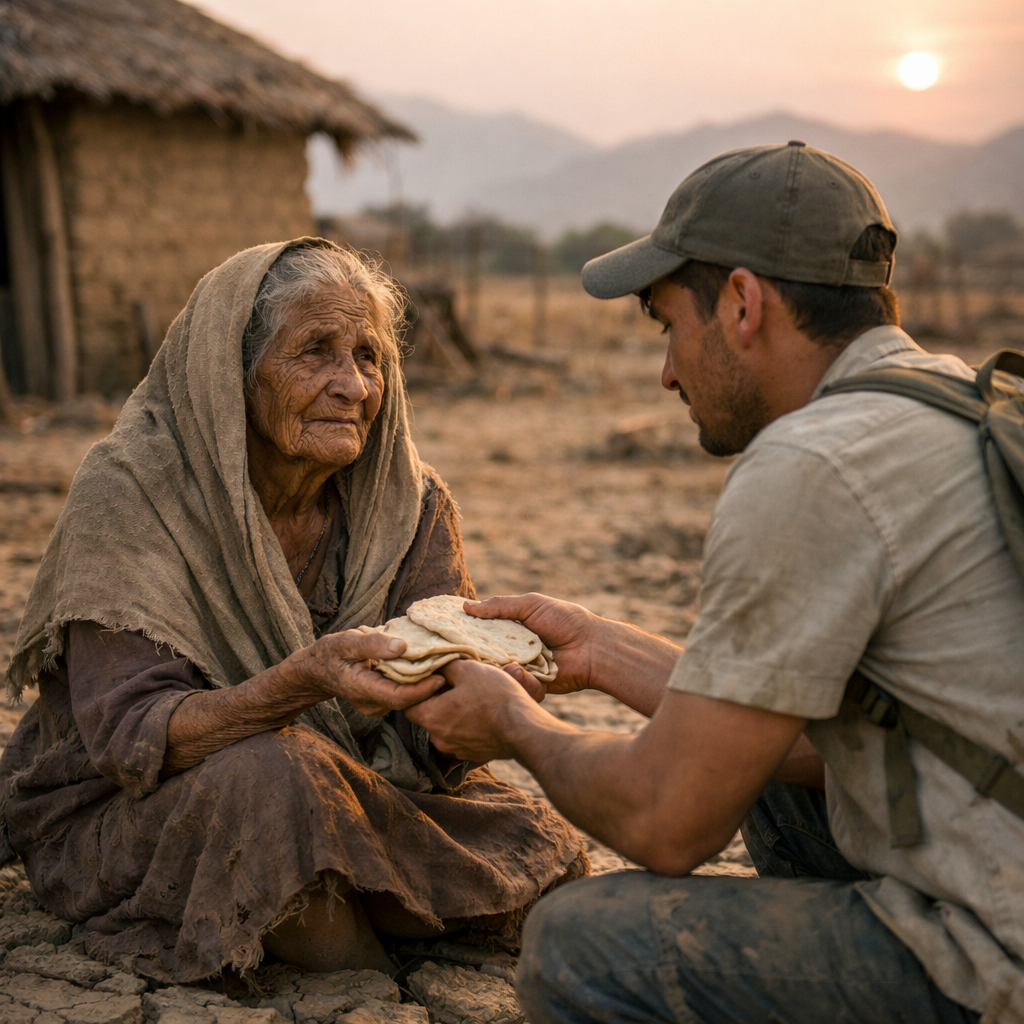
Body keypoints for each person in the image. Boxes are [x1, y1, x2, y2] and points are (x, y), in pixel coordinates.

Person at [407, 143, 1024, 1023]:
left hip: (1001, 954)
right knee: (764, 769)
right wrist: (600, 648)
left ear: (742, 303)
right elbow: (810, 737)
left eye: (666, 323)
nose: (665, 370)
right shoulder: (954, 399)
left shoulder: (812, 465)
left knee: (582, 944)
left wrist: (513, 724)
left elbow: (668, 820)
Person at [0, 239, 587, 984]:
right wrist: (305, 680)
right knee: (277, 786)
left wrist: (480, 708)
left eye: (369, 357)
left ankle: (353, 913)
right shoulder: (133, 494)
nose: (353, 386)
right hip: (137, 801)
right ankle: (373, 982)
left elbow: (423, 739)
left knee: (537, 837)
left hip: (355, 783)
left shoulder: (410, 505)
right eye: (316, 351)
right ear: (232, 375)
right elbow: (132, 737)